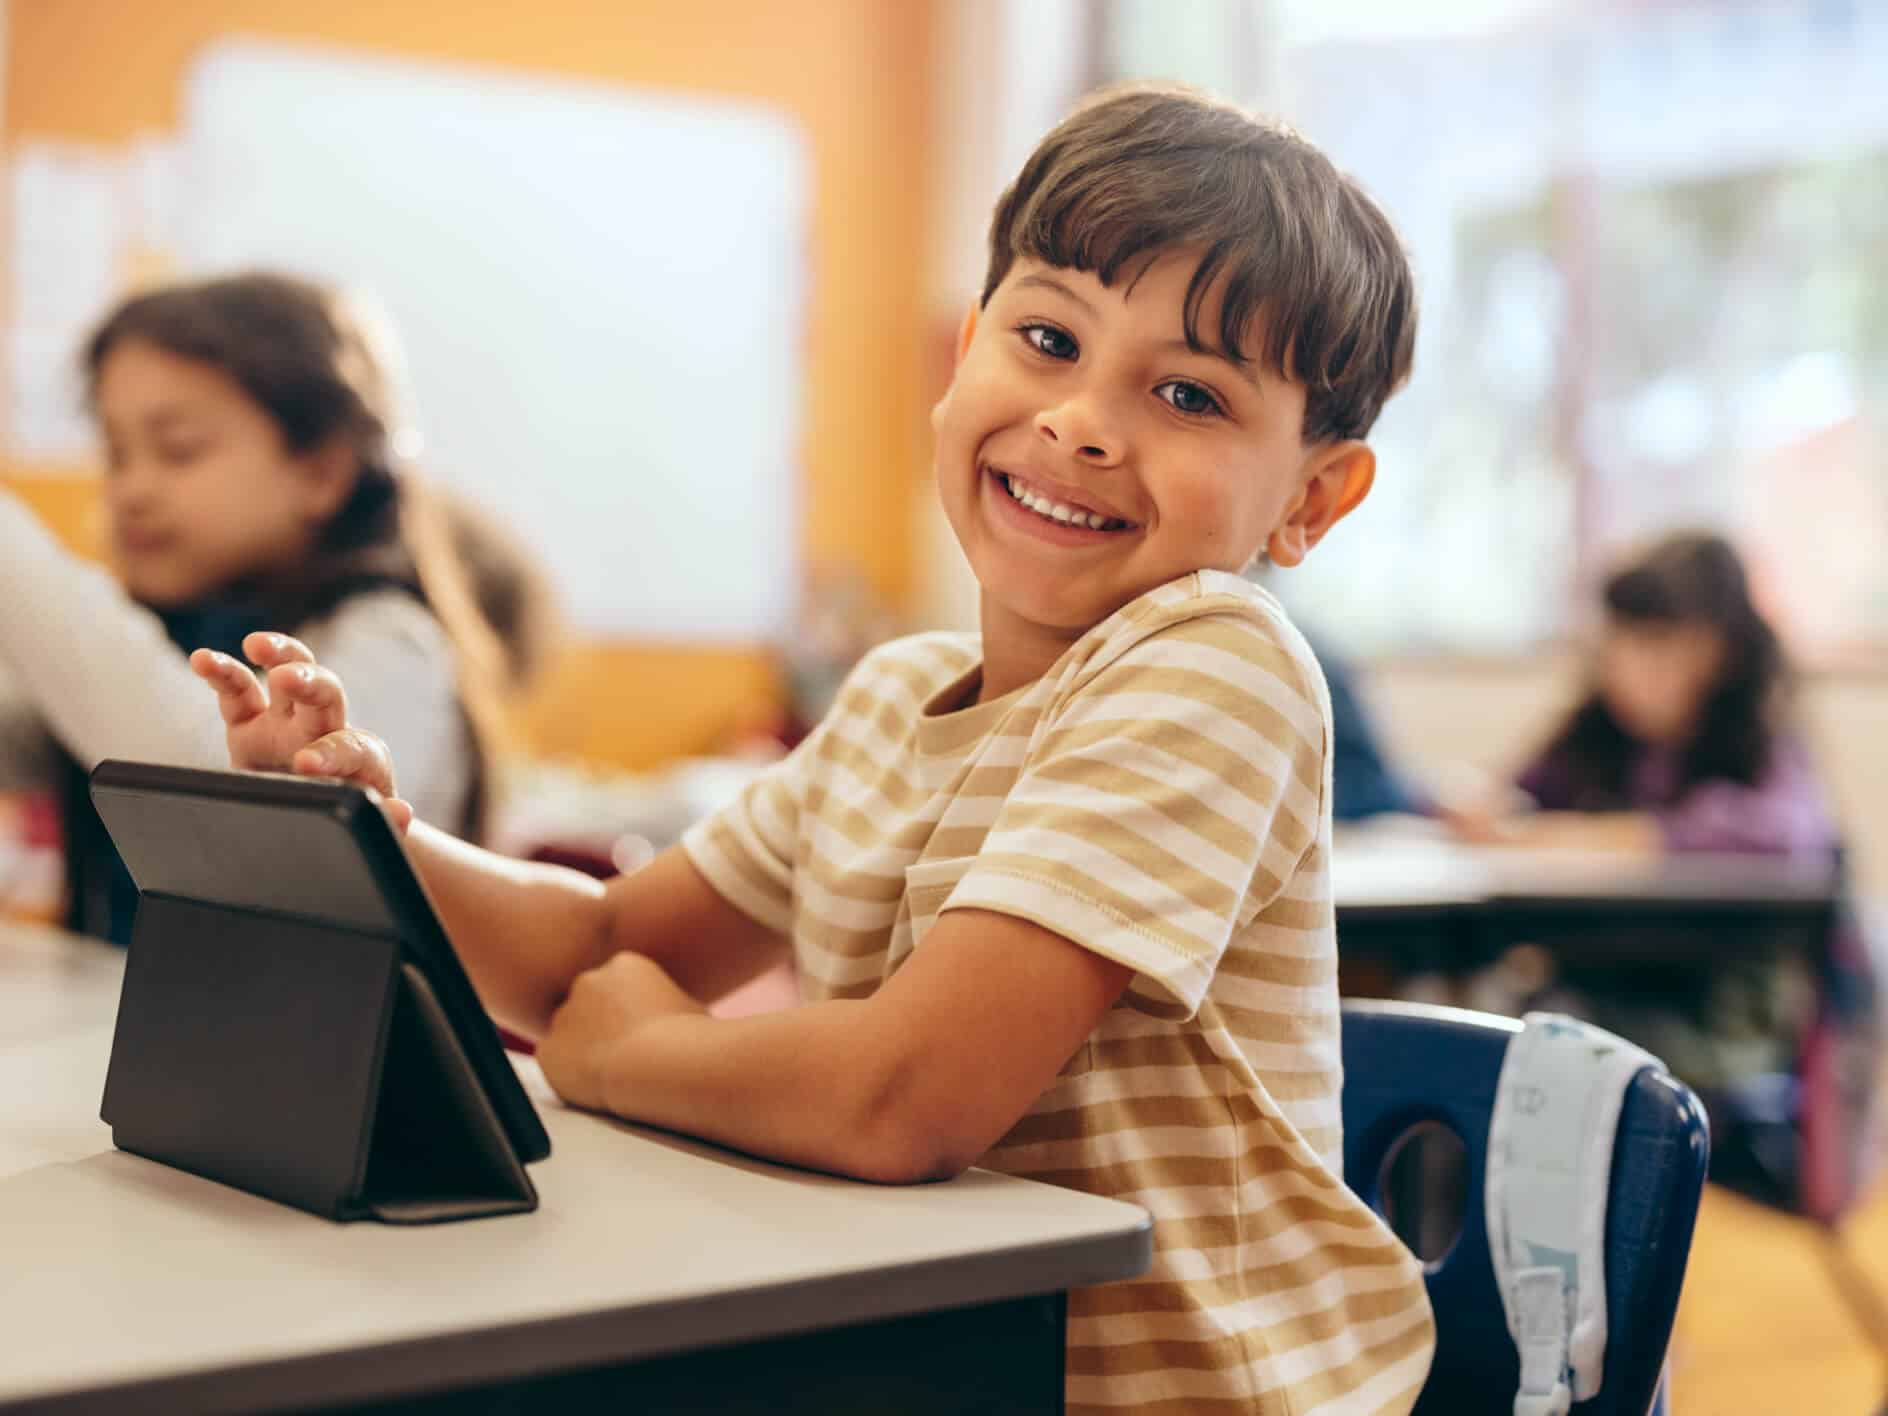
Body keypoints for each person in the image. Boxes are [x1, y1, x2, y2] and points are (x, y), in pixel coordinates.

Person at [194, 86, 1435, 1412]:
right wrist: (376, 832)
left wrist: (626, 1059)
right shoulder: (896, 697)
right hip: (935, 1353)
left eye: (1188, 392)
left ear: (1310, 499)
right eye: (1046, 336)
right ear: (967, 353)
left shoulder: (1215, 663)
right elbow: (608, 957)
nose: (1081, 419)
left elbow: (904, 1099)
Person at [0, 272, 554, 940]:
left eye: (178, 450)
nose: (130, 490)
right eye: (116, 454)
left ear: (321, 472)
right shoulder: (175, 630)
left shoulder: (388, 642)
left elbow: (220, 797)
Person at [1445, 531, 1836, 858]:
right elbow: (1513, 794)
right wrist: (1483, 807)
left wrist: (1605, 838)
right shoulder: (1597, 730)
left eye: (1657, 645)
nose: (1628, 667)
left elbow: (1788, 833)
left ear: (1720, 656)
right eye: (1618, 642)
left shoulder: (1758, 736)